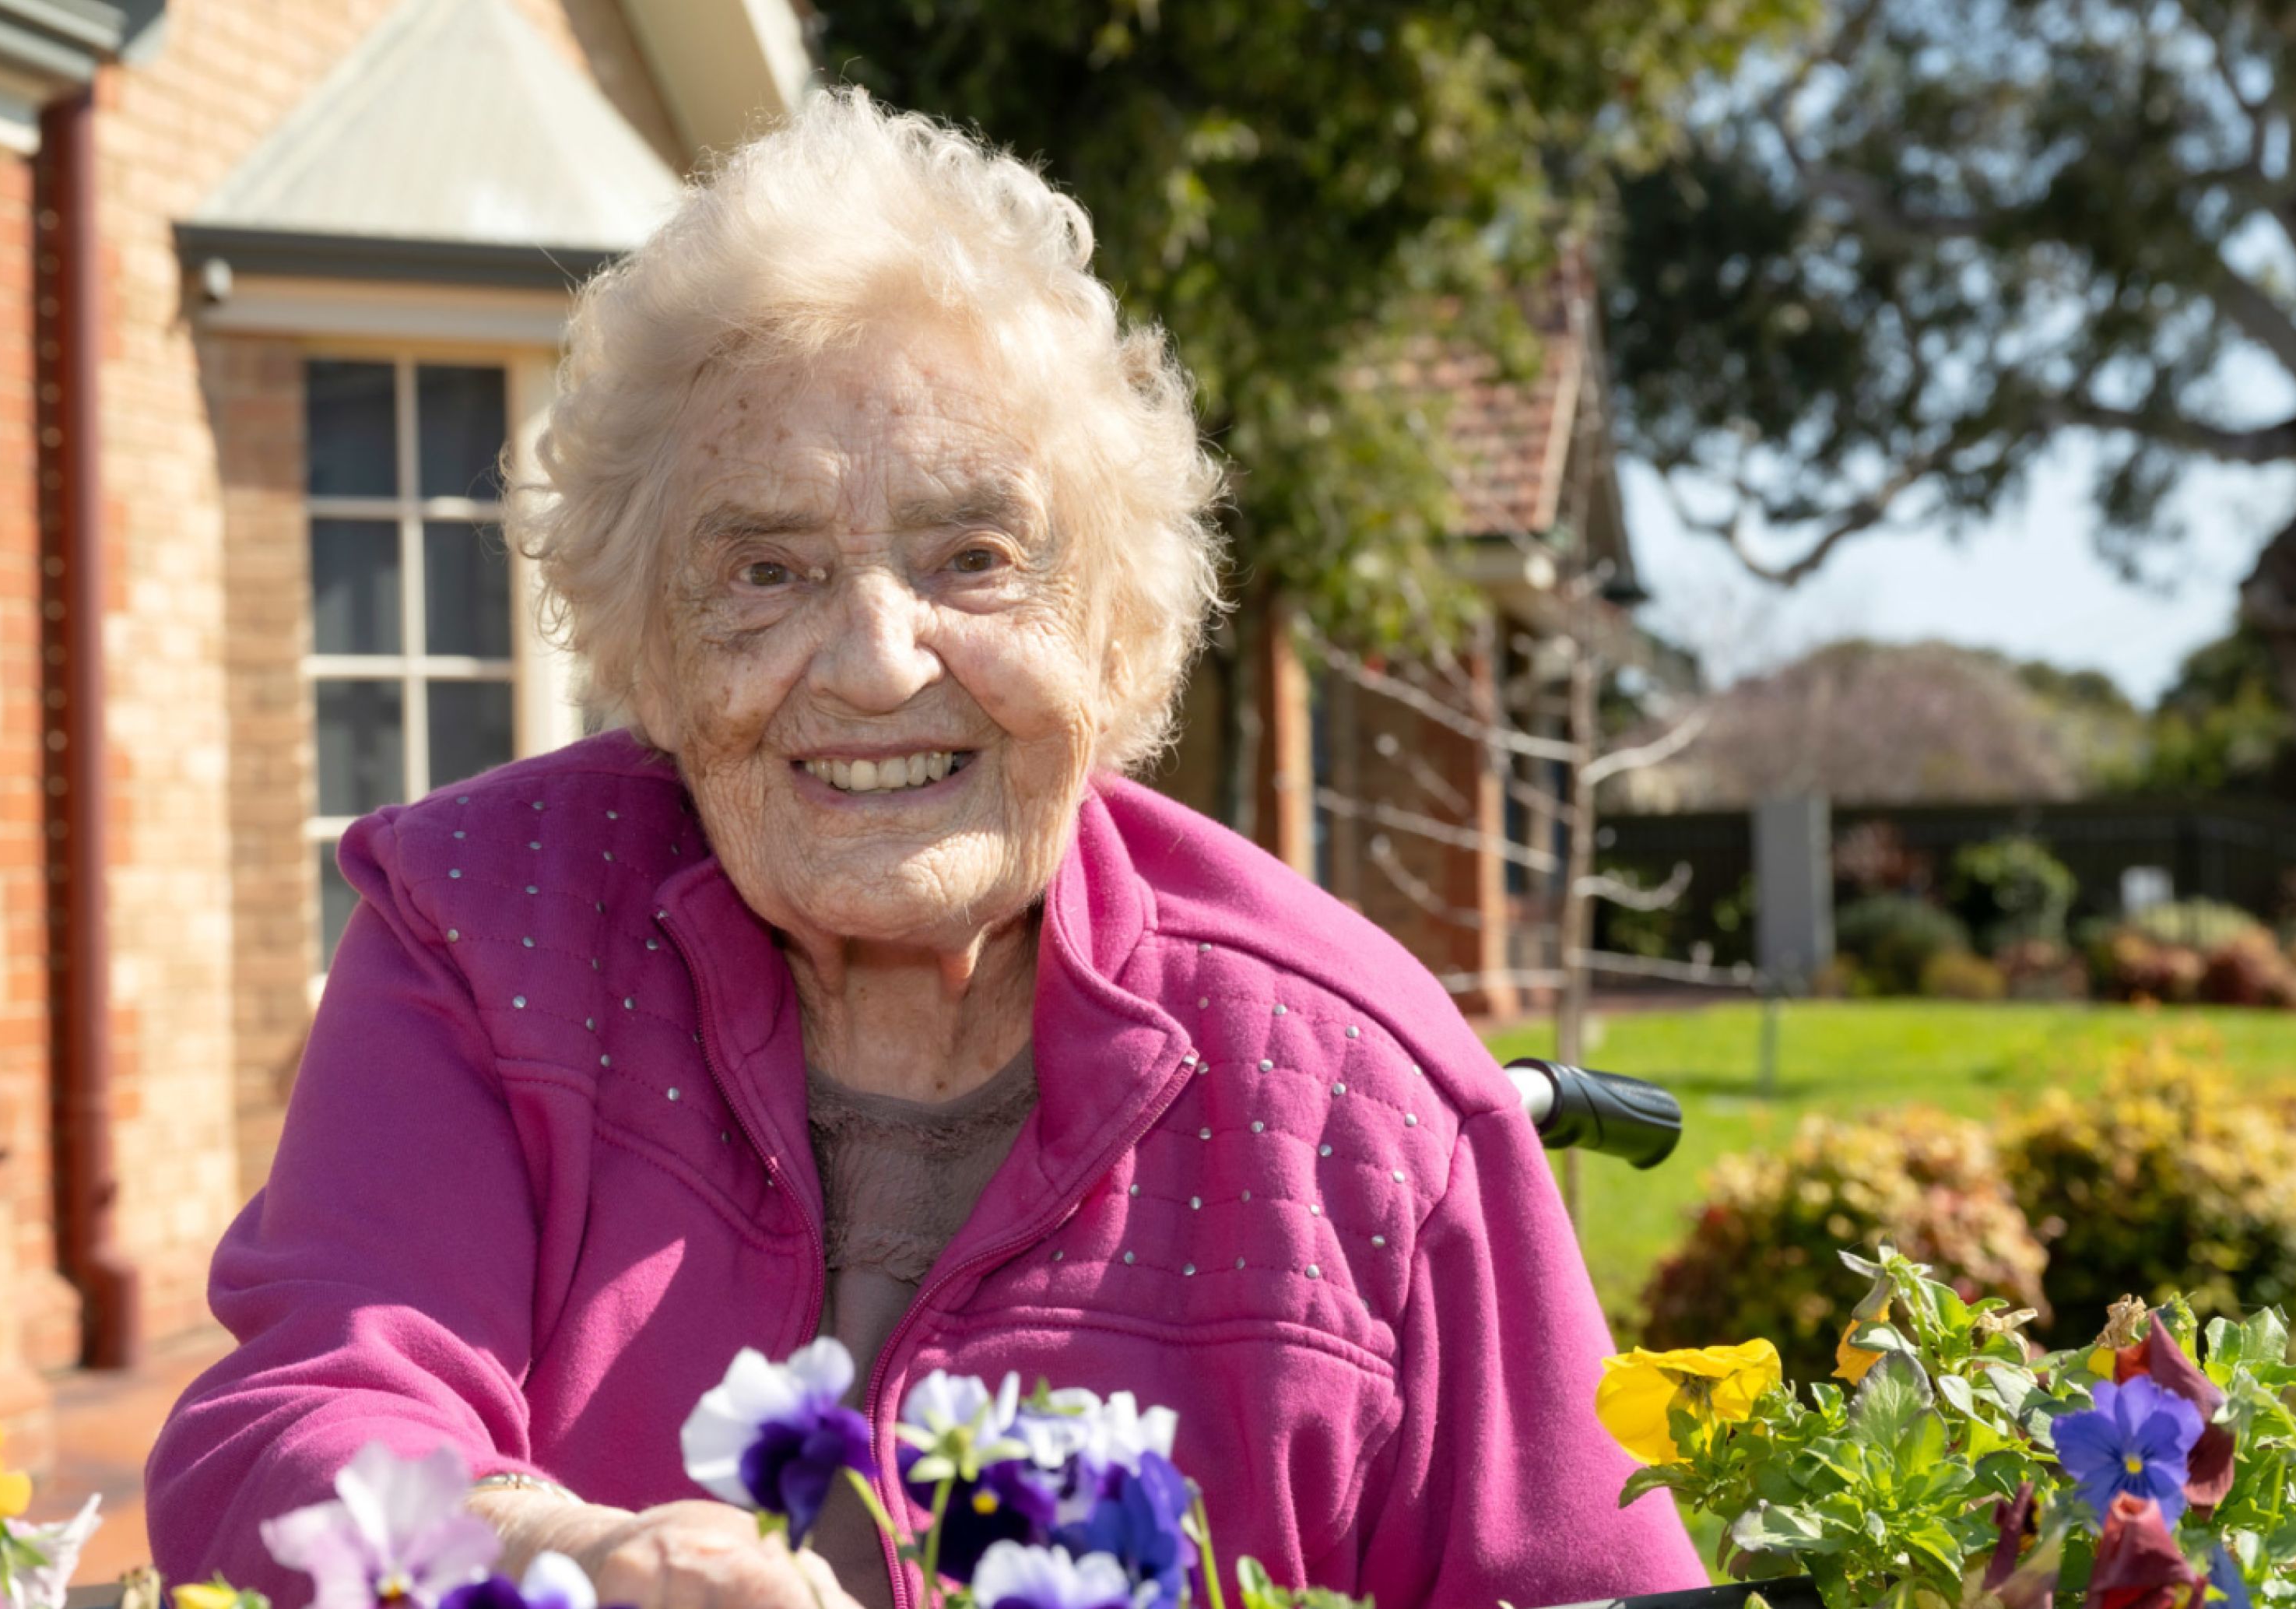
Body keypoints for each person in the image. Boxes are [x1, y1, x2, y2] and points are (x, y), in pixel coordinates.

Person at [145, 89, 1704, 1609]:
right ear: (647, 648)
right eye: (768, 566)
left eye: (976, 558)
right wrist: (576, 1555)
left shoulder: (1364, 1090)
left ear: (1114, 627)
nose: (879, 659)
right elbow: (290, 1436)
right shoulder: (491, 937)